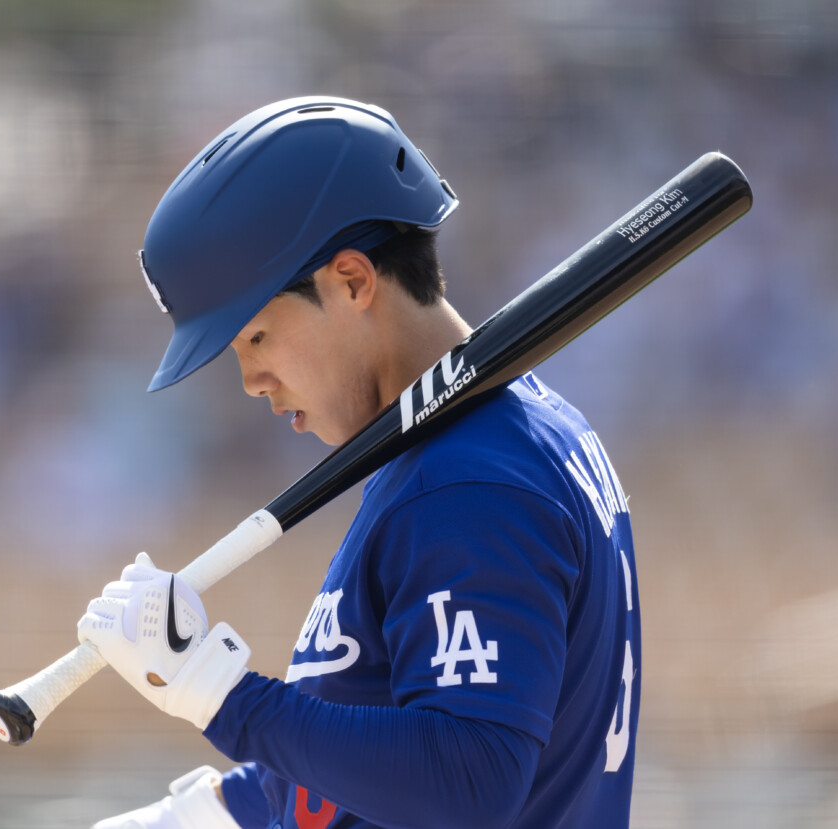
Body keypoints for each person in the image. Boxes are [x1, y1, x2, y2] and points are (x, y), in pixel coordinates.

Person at [78, 97, 641, 829]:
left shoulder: (468, 480)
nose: (251, 381)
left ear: (350, 280)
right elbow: (367, 750)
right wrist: (215, 812)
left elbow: (469, 778)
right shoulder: (489, 443)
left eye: (255, 337)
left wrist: (216, 691)